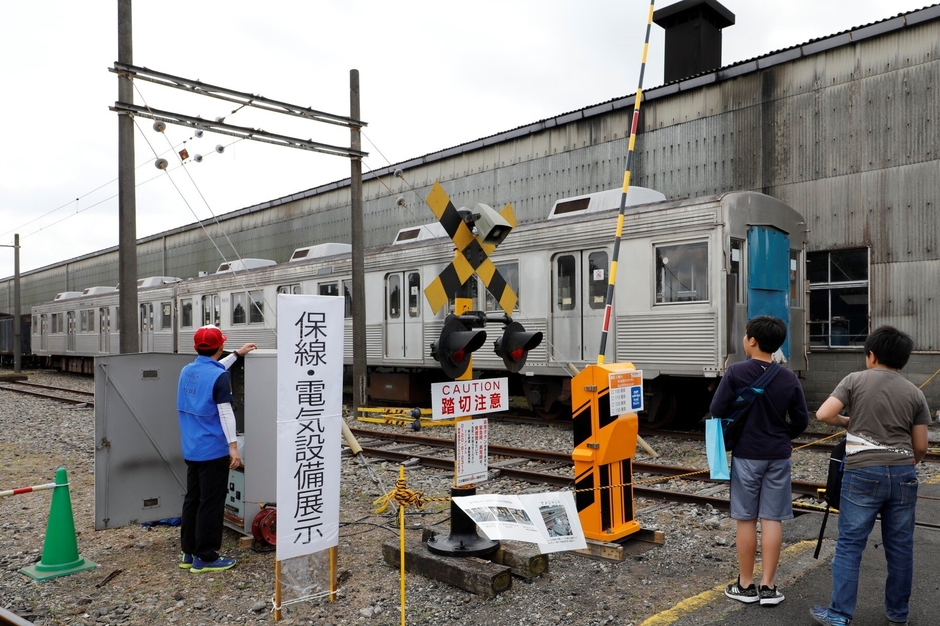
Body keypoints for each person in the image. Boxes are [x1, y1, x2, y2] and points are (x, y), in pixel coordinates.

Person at [810, 326, 930, 626]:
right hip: (903, 474)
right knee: (901, 547)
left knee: (851, 544)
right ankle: (898, 614)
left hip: (862, 473)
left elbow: (823, 415)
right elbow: (921, 446)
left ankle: (839, 615)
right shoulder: (914, 393)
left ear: (871, 355)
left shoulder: (854, 380)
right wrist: (907, 461)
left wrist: (847, 421)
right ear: (902, 361)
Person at [711, 315, 809, 607]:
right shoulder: (789, 377)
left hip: (747, 455)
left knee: (746, 517)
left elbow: (716, 409)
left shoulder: (736, 371)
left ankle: (745, 585)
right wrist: (781, 435)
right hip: (778, 455)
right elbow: (801, 420)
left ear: (752, 341)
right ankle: (768, 586)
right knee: (772, 517)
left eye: (745, 336)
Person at [177, 324, 257, 573]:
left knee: (193, 499)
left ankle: (188, 553)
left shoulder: (187, 371)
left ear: (195, 347)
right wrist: (233, 447)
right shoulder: (218, 377)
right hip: (213, 449)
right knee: (211, 503)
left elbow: (214, 370)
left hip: (191, 447)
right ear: (220, 346)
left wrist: (237, 355)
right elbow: (226, 414)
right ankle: (207, 557)